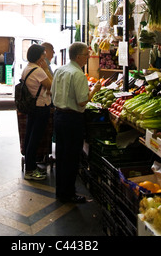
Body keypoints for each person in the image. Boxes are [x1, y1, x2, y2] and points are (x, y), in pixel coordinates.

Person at [51, 42, 101, 203]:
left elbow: (52, 92)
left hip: (59, 116)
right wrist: (94, 90)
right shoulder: (78, 74)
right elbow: (82, 102)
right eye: (86, 55)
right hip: (72, 119)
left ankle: (61, 191)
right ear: (79, 56)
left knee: (61, 156)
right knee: (71, 157)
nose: (88, 58)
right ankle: (69, 194)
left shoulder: (60, 70)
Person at [22, 43, 52, 181]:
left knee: (29, 136)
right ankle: (30, 170)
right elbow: (51, 86)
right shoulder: (39, 70)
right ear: (39, 56)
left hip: (32, 107)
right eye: (43, 54)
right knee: (35, 138)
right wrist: (46, 69)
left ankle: (30, 165)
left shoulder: (27, 68)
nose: (45, 57)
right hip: (41, 106)